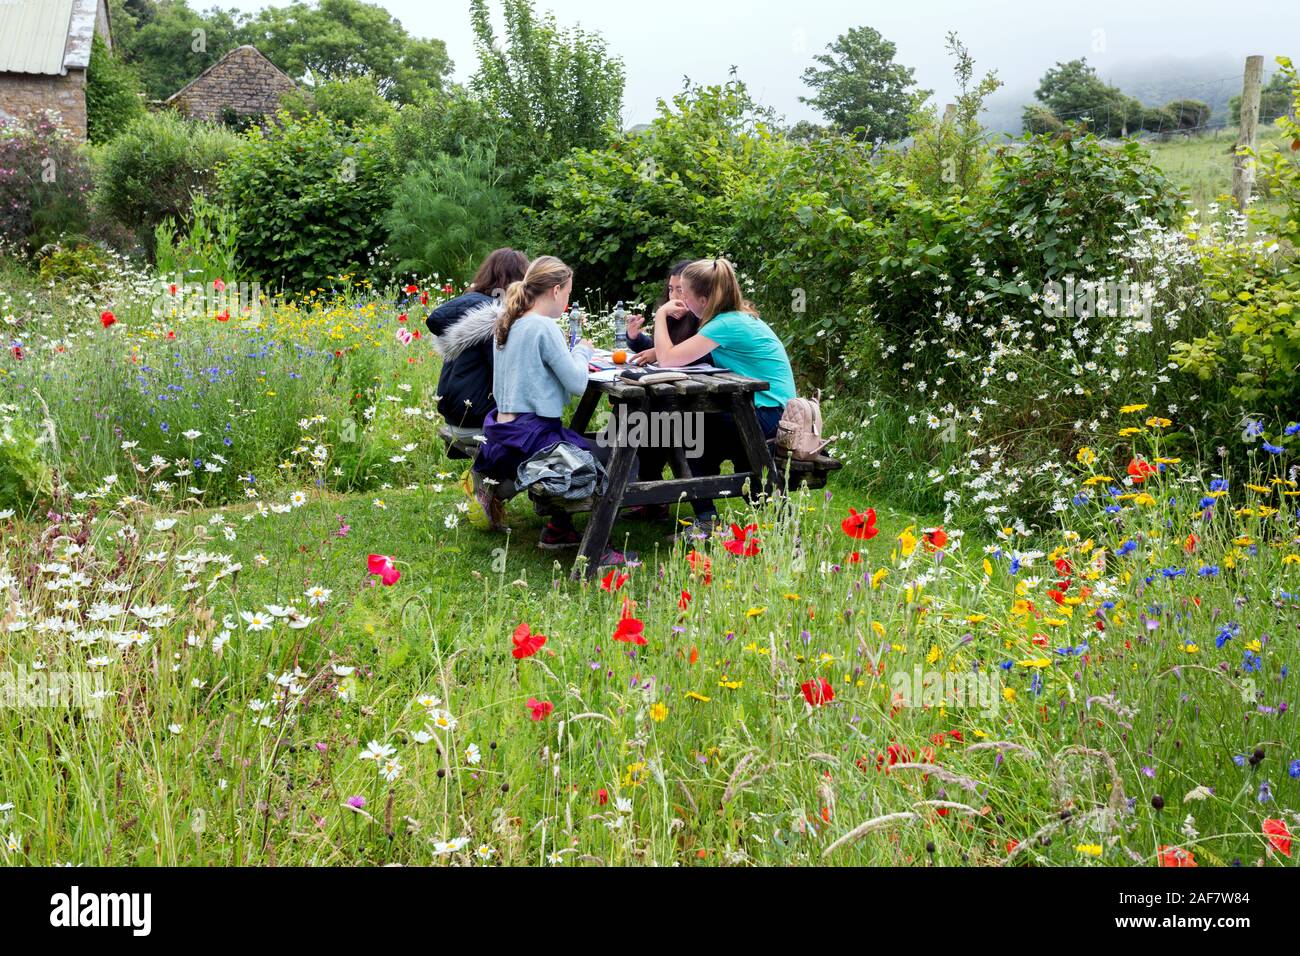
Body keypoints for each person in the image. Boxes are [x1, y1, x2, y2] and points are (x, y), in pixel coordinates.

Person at [473, 255, 635, 565]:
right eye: (570, 293)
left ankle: (559, 530)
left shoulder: (510, 321)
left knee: (577, 442)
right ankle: (598, 551)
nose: (568, 300)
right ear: (557, 290)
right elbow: (576, 383)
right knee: (620, 459)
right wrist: (582, 351)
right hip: (531, 439)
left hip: (502, 436)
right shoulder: (543, 326)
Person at [649, 257, 796, 534]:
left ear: (703, 299)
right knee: (695, 434)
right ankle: (711, 515)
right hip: (769, 408)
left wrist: (660, 315)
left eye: (685, 293)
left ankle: (706, 518)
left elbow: (669, 359)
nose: (681, 300)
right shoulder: (734, 318)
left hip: (770, 414)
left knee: (686, 430)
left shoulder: (723, 325)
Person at [426, 248, 528, 445]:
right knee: (546, 429)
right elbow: (511, 377)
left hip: (456, 419)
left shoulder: (469, 309)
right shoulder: (496, 318)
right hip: (478, 424)